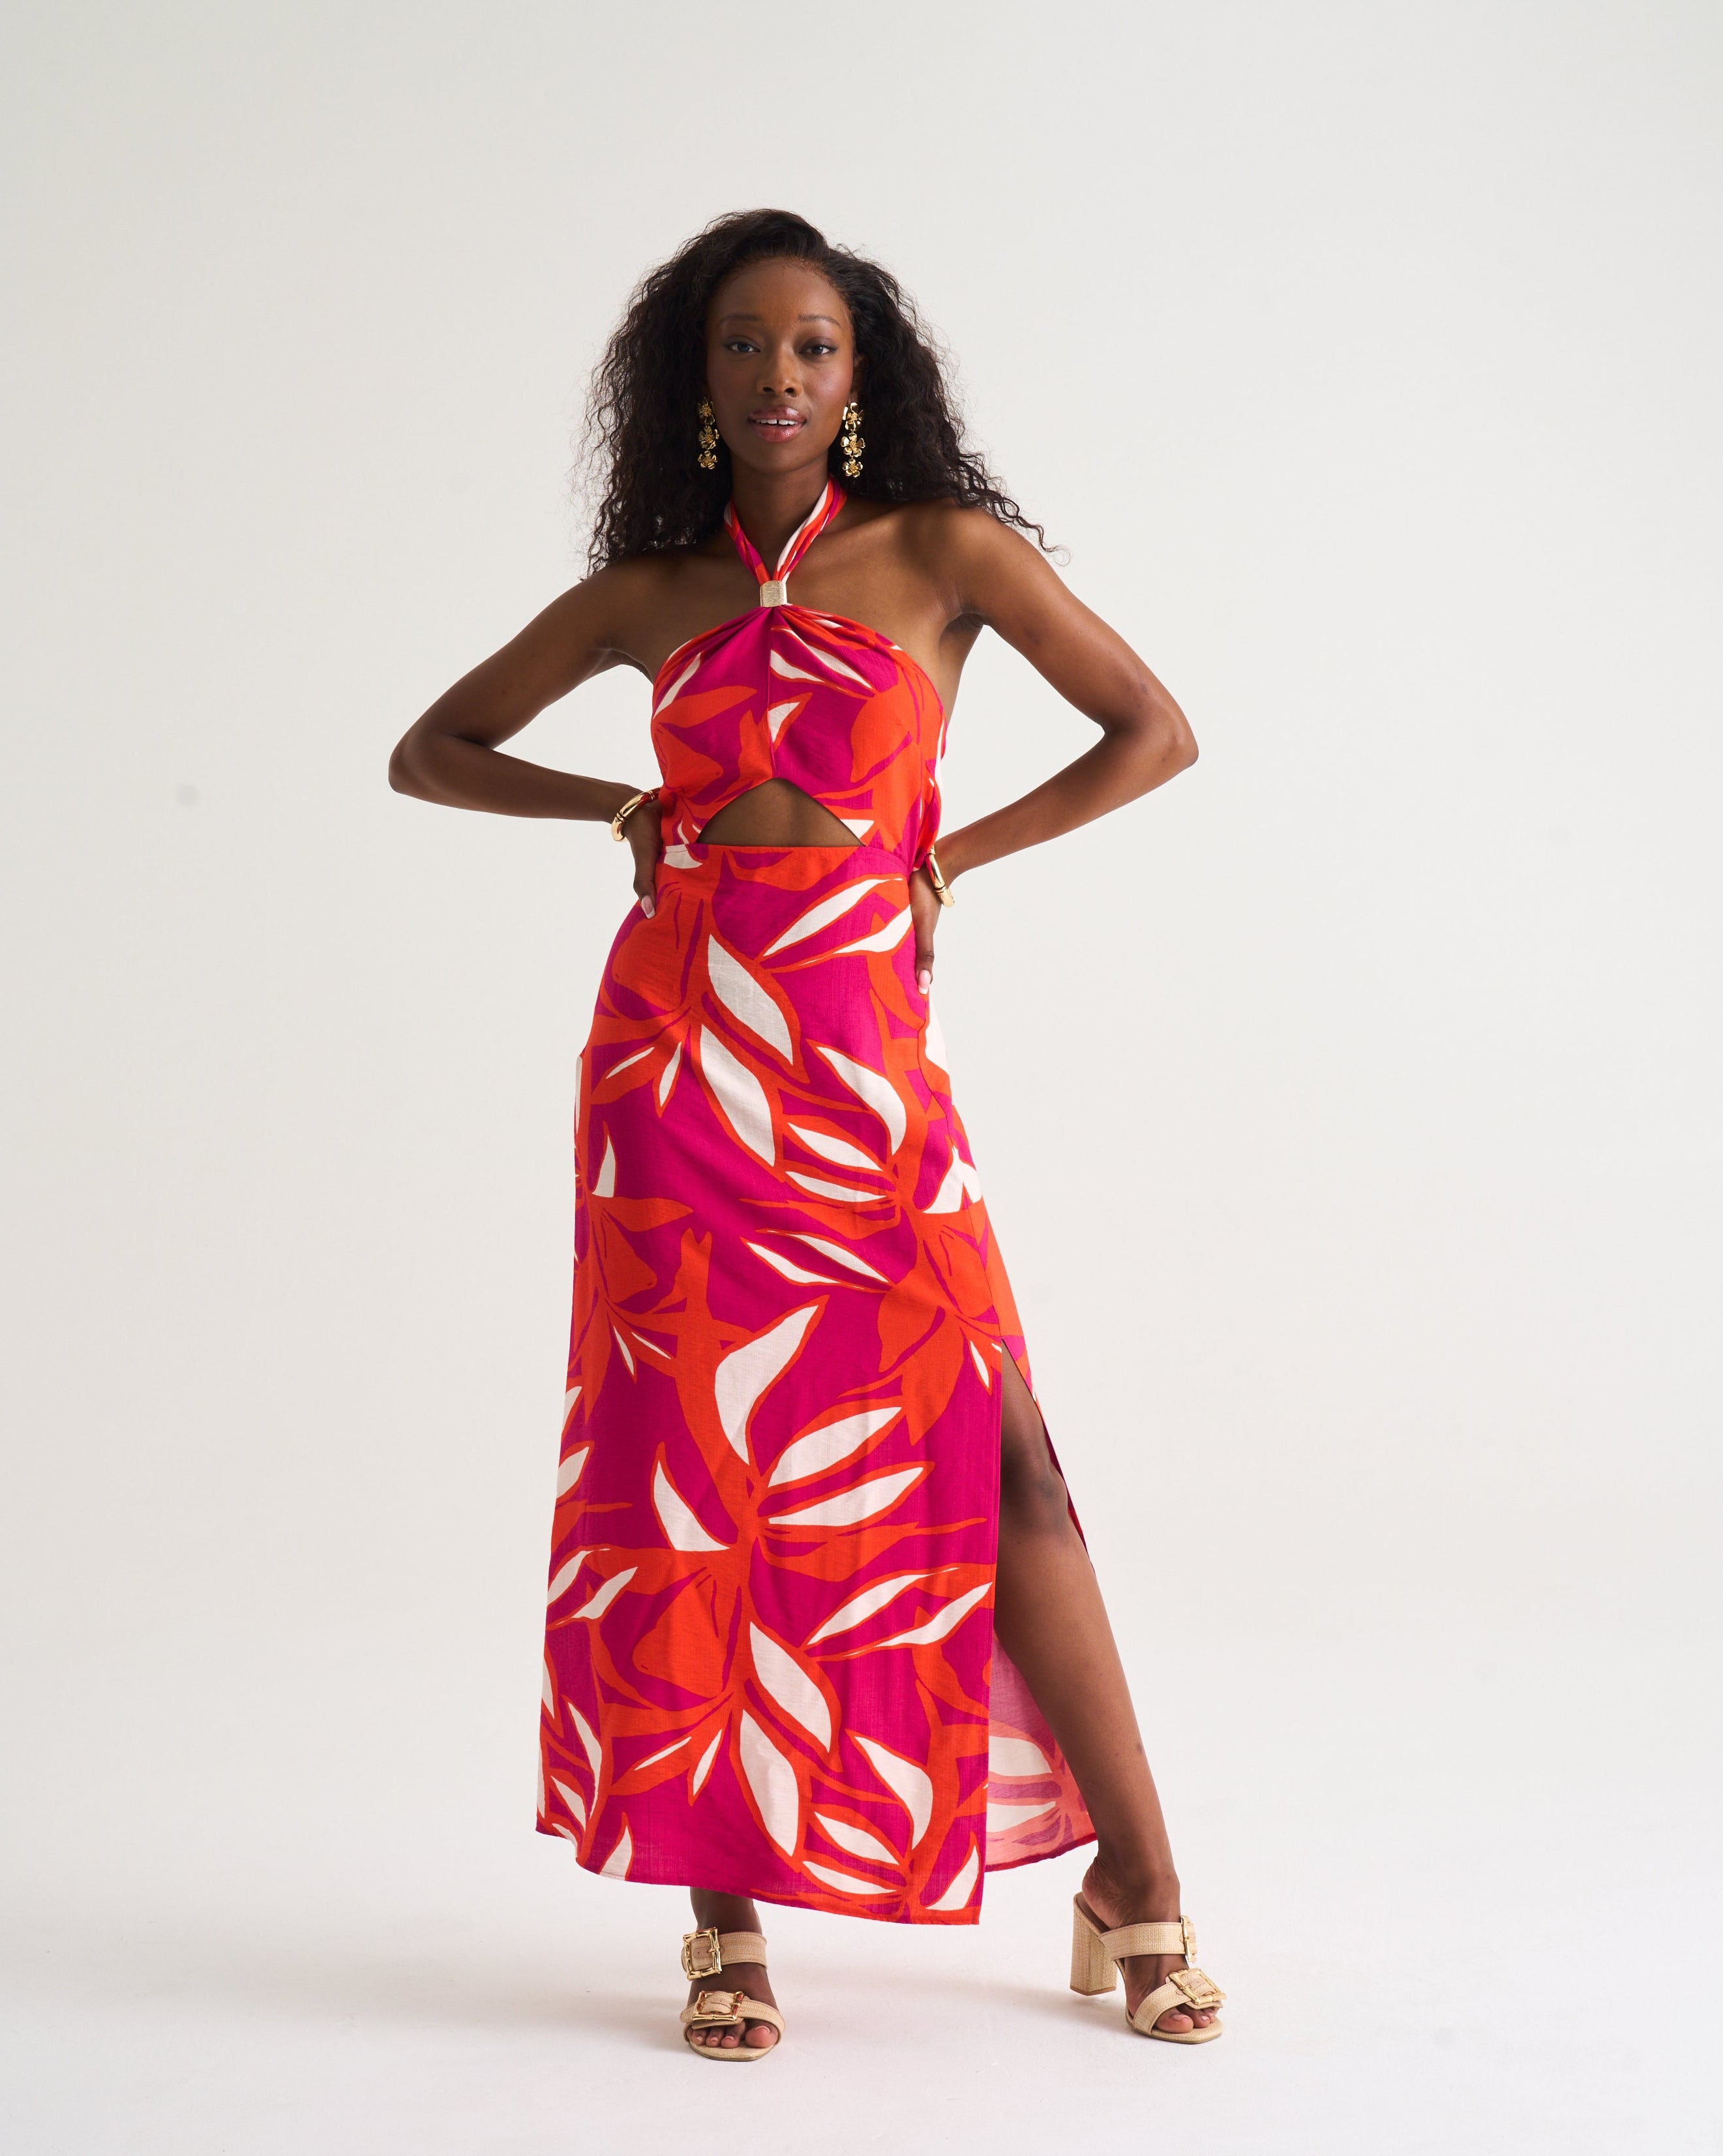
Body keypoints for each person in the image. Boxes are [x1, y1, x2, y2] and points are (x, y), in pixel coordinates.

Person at [389, 208, 1221, 2059]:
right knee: (695, 1467)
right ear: (693, 379)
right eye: (745, 345)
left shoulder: (945, 553)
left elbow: (1150, 730)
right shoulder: (650, 593)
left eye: (815, 347)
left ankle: (1135, 1874)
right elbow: (429, 748)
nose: (779, 376)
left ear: (863, 378)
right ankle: (724, 1917)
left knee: (1001, 1465)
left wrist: (955, 855)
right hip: (672, 1066)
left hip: (857, 1054)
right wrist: (615, 797)